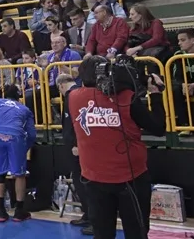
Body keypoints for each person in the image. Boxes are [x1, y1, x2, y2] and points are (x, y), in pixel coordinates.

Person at [69, 56, 166, 239]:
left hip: (93, 177)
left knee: (102, 233)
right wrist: (154, 93)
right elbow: (158, 128)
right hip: (130, 177)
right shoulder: (126, 98)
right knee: (136, 232)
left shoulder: (73, 97)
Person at [0, 84, 36, 223]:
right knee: (19, 174)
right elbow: (31, 134)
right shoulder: (24, 108)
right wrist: (25, 148)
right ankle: (19, 211)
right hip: (15, 136)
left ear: (4, 94)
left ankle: (1, 211)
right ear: (19, 95)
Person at [57, 74, 93, 236]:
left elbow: (76, 123)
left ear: (61, 85)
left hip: (78, 147)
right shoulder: (79, 93)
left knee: (85, 183)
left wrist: (75, 144)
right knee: (81, 183)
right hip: (79, 146)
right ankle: (88, 215)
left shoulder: (72, 95)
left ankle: (95, 219)